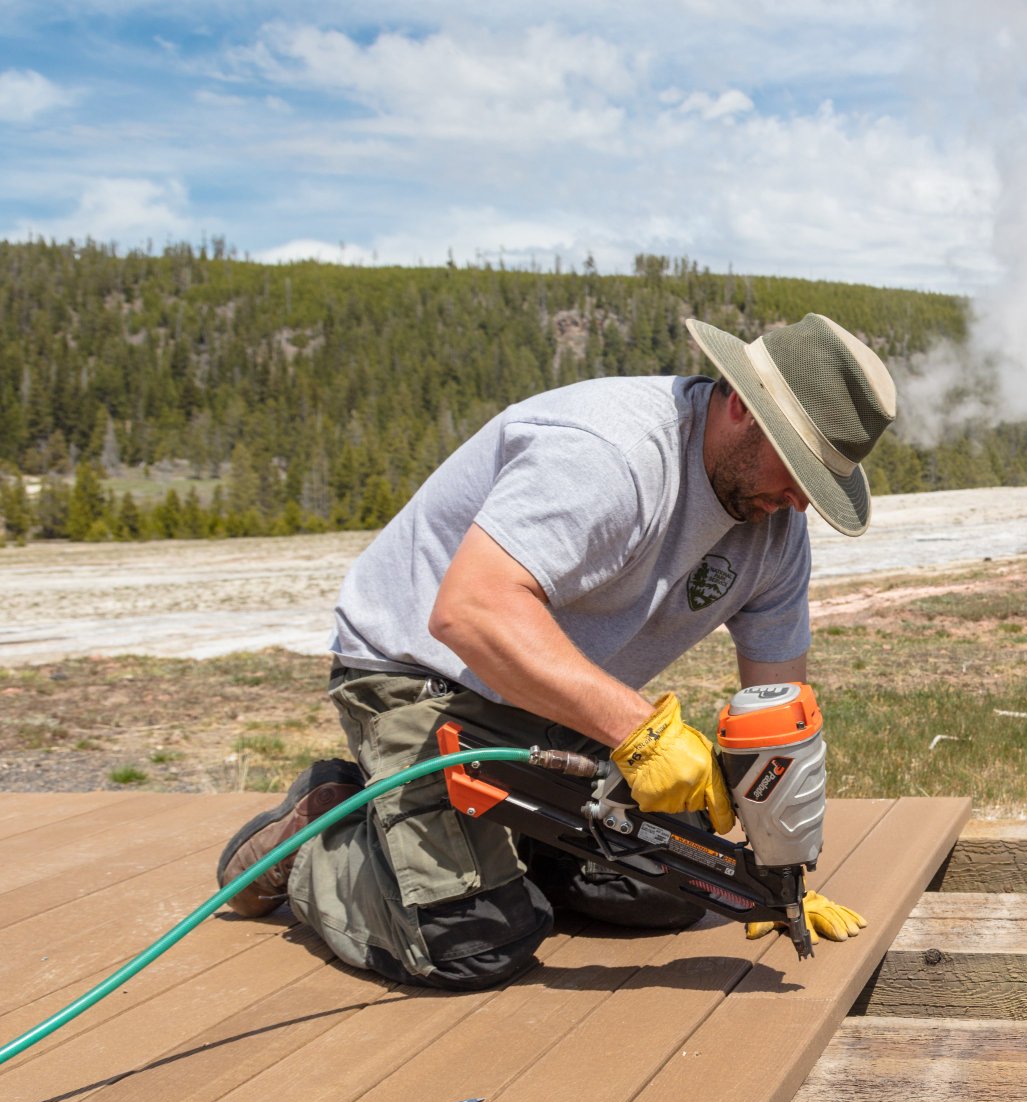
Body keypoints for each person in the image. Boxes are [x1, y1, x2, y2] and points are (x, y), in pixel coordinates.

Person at [215, 313, 895, 990]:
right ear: (743, 406)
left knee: (681, 885)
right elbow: (471, 612)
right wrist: (639, 732)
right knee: (474, 941)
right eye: (799, 467)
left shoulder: (774, 526)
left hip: (552, 701)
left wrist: (779, 871)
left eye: (821, 480)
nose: (802, 503)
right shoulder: (610, 454)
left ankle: (485, 841)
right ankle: (325, 836)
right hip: (421, 677)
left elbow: (778, 714)